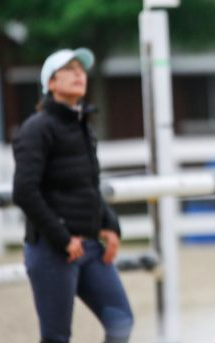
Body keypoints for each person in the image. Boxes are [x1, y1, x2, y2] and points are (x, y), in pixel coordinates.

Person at [13, 48, 133, 343]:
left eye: (82, 69)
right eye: (70, 69)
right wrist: (63, 238)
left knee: (121, 321)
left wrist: (110, 225)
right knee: (56, 337)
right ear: (51, 83)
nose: (80, 74)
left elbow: (89, 185)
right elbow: (24, 192)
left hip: (90, 246)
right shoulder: (36, 129)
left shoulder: (83, 127)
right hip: (52, 250)